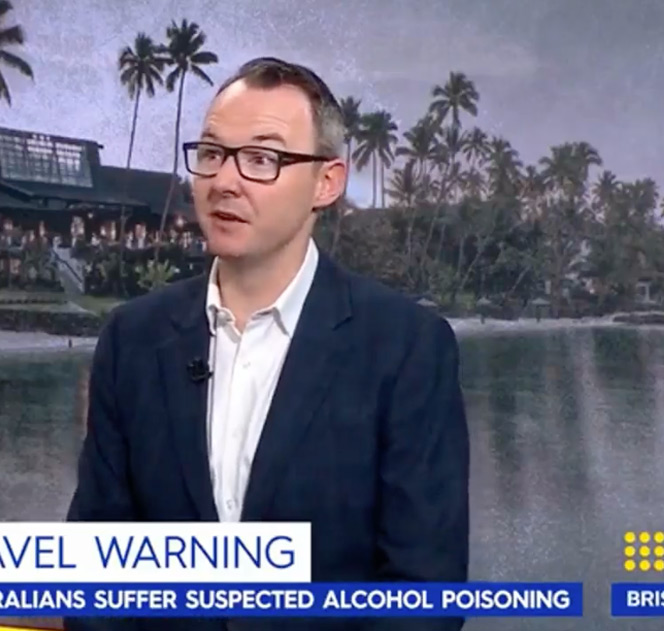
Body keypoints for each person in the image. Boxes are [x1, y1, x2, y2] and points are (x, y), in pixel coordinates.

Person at [66, 57, 469, 631]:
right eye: (212, 153)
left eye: (262, 159)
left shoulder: (407, 348)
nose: (225, 182)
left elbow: (424, 593)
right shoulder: (132, 340)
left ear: (326, 182)